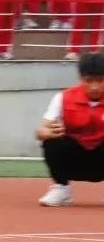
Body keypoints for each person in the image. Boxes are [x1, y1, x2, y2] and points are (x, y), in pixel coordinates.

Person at [35, 52, 104, 207]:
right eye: (89, 81)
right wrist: (47, 133)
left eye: (100, 80)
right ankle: (61, 189)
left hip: (101, 159)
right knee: (53, 141)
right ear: (80, 78)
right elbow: (41, 131)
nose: (94, 86)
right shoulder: (63, 97)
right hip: (75, 160)